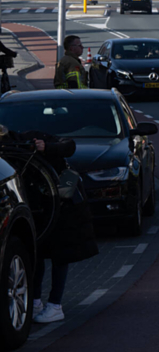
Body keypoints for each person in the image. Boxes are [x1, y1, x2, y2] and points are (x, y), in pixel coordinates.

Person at [0, 126, 98, 324]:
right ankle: (36, 302)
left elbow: (69, 146)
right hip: (40, 209)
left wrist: (46, 147)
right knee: (39, 254)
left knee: (60, 255)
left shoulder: (31, 138)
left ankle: (55, 305)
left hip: (61, 205)